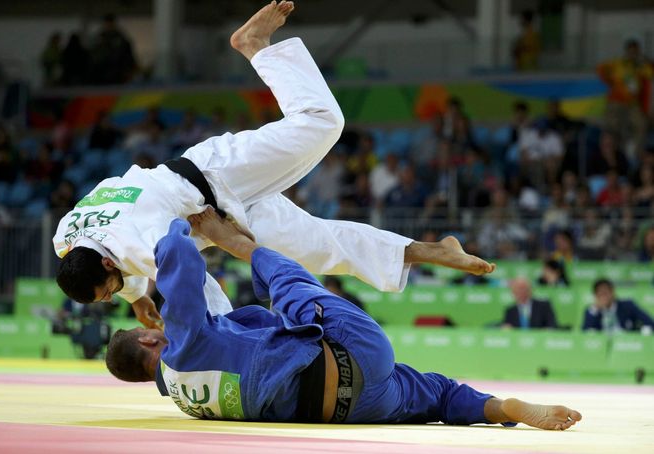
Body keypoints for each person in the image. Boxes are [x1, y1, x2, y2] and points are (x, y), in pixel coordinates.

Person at [54, 1, 495, 330]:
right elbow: (127, 259)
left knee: (322, 122)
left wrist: (228, 321)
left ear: (108, 266)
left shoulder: (139, 247)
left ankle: (255, 47)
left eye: (108, 291)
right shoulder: (67, 240)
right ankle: (434, 250)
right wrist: (135, 298)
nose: (110, 296)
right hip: (217, 209)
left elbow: (197, 267)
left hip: (213, 175)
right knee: (323, 245)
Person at [105, 210, 582, 430]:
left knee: (433, 394)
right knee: (291, 288)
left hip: (350, 410)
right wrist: (176, 221)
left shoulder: (189, 400)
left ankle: (499, 408)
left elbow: (223, 319)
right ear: (150, 340)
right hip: (349, 354)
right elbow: (177, 259)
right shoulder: (181, 342)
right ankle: (237, 242)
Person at [597, 39, 653, 157]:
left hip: (633, 104)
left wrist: (647, 60)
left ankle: (636, 154)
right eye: (631, 52)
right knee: (614, 129)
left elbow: (651, 71)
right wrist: (612, 82)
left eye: (636, 52)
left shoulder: (640, 67)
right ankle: (615, 154)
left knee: (641, 125)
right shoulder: (617, 64)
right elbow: (600, 69)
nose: (633, 54)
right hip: (617, 102)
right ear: (627, 52)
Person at [582, 278, 654, 333]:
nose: (603, 297)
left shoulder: (628, 306)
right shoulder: (591, 311)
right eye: (600, 294)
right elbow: (585, 332)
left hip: (626, 343)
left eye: (605, 293)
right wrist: (595, 309)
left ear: (612, 292)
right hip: (602, 346)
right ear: (595, 296)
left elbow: (649, 322)